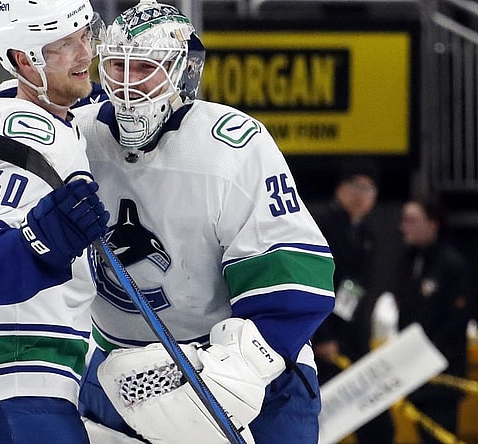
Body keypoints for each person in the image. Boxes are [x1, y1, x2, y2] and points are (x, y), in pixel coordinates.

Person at [73, 2, 335, 442]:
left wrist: (244, 365)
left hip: (240, 372)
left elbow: (292, 271)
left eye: (144, 68)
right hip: (118, 369)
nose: (126, 83)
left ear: (182, 72)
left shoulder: (230, 145)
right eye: (117, 65)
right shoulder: (74, 138)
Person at [0, 1, 108, 442]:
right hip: (15, 363)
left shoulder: (4, 105)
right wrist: (46, 235)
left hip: (11, 367)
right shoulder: (24, 132)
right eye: (65, 45)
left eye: (85, 35)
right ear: (22, 59)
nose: (85, 54)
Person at [310, 159, 395, 442]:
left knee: (378, 425)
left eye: (370, 189)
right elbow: (310, 283)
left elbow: (355, 290)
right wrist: (322, 336)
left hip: (350, 341)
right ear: (340, 188)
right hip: (316, 342)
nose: (362, 195)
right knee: (317, 423)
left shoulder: (366, 233)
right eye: (356, 186)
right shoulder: (319, 225)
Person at [394, 196, 473, 443]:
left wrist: (426, 351)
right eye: (403, 219)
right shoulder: (408, 260)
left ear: (432, 224)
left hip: (441, 373)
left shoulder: (451, 263)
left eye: (411, 220)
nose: (403, 226)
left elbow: (458, 318)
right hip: (414, 373)